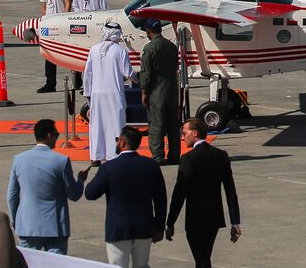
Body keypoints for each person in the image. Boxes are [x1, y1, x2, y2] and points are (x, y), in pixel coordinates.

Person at [83, 126, 168, 267]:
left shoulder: (109, 167)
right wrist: (159, 227)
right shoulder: (151, 166)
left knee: (118, 265)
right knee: (142, 265)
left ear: (122, 142)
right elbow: (160, 200)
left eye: (117, 140)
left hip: (118, 228)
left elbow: (90, 194)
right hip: (144, 226)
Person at [166, 117, 241, 268]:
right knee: (204, 257)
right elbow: (230, 191)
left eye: (184, 133)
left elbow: (179, 193)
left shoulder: (188, 159)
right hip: (214, 217)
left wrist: (170, 222)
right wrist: (235, 222)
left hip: (196, 219)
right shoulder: (221, 155)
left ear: (194, 133)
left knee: (202, 259)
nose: (182, 137)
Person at [7, 118, 84, 255]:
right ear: (49, 136)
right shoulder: (61, 161)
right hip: (55, 226)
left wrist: (15, 220)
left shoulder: (19, 159)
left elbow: (12, 196)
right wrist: (80, 180)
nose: (56, 138)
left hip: (28, 225)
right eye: (56, 134)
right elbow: (74, 194)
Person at [84, 20, 134, 166]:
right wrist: (137, 79)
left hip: (97, 93)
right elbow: (128, 72)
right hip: (114, 93)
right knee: (116, 123)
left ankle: (96, 156)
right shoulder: (120, 51)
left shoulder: (93, 49)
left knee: (97, 124)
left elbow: (87, 74)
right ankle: (114, 155)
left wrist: (88, 94)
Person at [139, 18, 181, 166]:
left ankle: (157, 156)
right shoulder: (171, 46)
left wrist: (144, 92)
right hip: (172, 87)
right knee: (173, 124)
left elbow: (146, 73)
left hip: (157, 89)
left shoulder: (149, 48)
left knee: (156, 123)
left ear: (149, 31)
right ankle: (175, 155)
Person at [37, 0, 71, 93]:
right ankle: (50, 83)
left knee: (69, 51)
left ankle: (78, 78)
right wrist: (44, 21)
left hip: (62, 22)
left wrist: (66, 19)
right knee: (49, 53)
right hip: (49, 24)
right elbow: (44, 6)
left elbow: (67, 3)